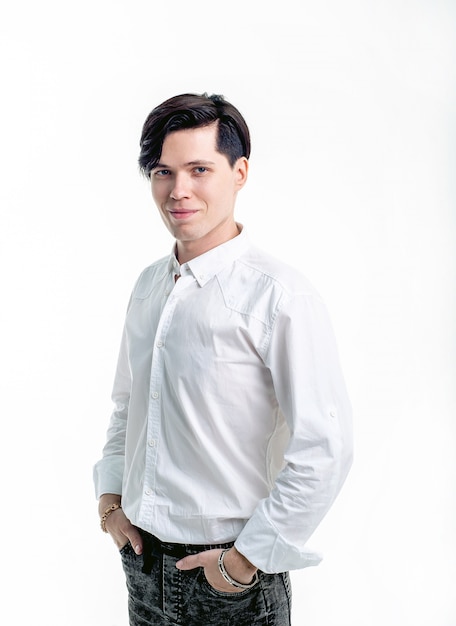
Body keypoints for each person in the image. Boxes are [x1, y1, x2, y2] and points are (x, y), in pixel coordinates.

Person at [93, 92, 353, 626]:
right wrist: (111, 500)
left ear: (239, 172)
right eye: (163, 171)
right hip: (143, 565)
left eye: (198, 169)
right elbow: (128, 406)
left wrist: (241, 562)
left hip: (232, 580)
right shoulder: (148, 285)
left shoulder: (279, 296)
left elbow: (325, 448)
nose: (178, 190)